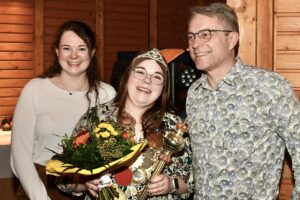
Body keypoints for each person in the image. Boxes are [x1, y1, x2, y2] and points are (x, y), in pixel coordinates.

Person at [185, 2, 300, 200]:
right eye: (191, 36)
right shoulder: (194, 93)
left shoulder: (269, 87)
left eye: (205, 34)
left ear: (232, 40)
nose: (195, 44)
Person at [58, 48, 194, 199]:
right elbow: (64, 178)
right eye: (140, 72)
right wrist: (85, 181)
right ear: (127, 76)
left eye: (157, 77)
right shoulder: (96, 118)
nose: (147, 80)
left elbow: (191, 182)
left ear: (163, 88)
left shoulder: (175, 127)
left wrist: (171, 184)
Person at [10, 20, 116, 200]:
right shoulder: (35, 89)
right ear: (57, 51)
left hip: (88, 189)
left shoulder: (106, 94)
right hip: (39, 184)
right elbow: (19, 154)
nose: (73, 56)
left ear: (92, 53)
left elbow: (112, 153)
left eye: (82, 48)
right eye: (67, 48)